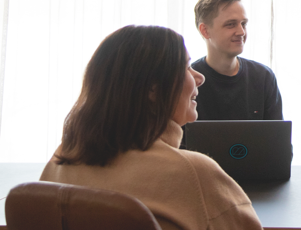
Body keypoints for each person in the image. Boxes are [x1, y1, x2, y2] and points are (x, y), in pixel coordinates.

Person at [40, 25, 262, 230]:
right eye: (186, 67)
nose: (200, 77)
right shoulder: (192, 173)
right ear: (153, 90)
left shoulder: (61, 159)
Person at [192, 0, 282, 120]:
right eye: (230, 24)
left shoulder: (263, 77)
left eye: (243, 24)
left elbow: (278, 138)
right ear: (205, 31)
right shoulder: (189, 81)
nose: (241, 32)